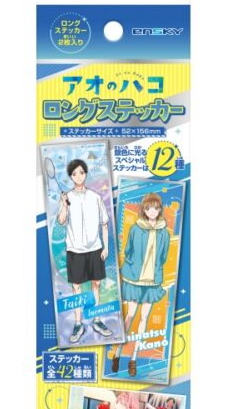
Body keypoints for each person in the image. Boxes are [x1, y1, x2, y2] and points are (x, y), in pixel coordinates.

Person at [111, 193, 170, 376]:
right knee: (130, 315)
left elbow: (163, 256)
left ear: (159, 209)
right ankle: (117, 353)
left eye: (155, 208)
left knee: (144, 318)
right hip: (134, 279)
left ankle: (133, 358)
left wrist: (154, 269)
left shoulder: (164, 232)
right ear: (144, 209)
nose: (152, 211)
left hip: (152, 282)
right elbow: (128, 250)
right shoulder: (135, 228)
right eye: (148, 208)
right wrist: (135, 265)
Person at [57, 159, 112, 344]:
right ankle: (78, 324)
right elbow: (61, 221)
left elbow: (104, 224)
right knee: (76, 288)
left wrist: (106, 247)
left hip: (95, 248)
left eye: (81, 172)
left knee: (96, 284)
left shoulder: (95, 197)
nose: (78, 176)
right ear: (71, 177)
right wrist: (64, 205)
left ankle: (96, 320)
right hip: (75, 250)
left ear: (86, 173)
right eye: (74, 174)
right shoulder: (67, 197)